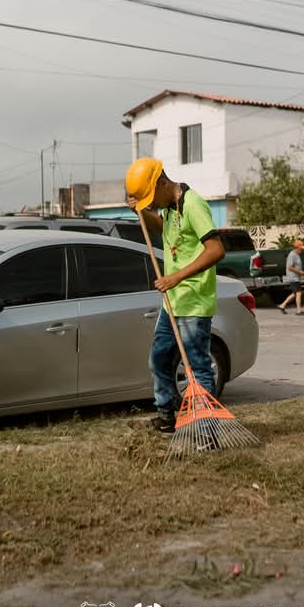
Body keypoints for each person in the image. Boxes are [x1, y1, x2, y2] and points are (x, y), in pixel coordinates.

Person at [125, 157, 225, 433]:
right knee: (158, 357)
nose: (151, 204)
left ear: (162, 182)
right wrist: (141, 212)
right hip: (173, 302)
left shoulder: (193, 204)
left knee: (198, 366)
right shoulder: (170, 209)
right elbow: (161, 228)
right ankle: (166, 415)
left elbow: (216, 250)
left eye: (150, 198)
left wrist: (176, 277)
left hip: (193, 301)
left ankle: (206, 430)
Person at [277, 239, 304, 316]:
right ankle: (299, 311)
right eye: (301, 248)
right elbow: (289, 267)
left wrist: (301, 273)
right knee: (298, 293)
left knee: (295, 293)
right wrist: (300, 272)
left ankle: (282, 305)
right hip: (293, 277)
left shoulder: (297, 255)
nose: (301, 250)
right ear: (297, 248)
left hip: (296, 277)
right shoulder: (292, 255)